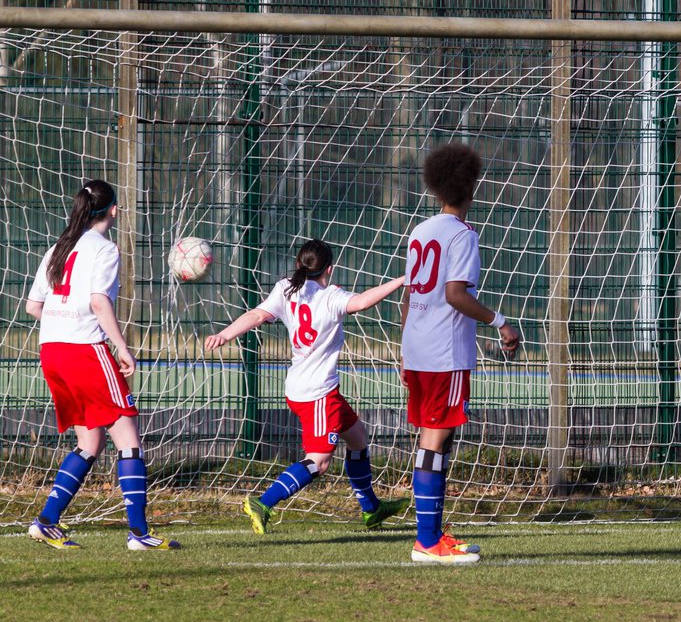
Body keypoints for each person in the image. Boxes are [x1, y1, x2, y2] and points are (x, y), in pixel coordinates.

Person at [205, 239, 408, 534]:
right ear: (330, 269)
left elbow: (256, 315)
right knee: (319, 462)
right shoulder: (331, 297)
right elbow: (363, 301)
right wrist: (402, 280)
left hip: (302, 387)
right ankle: (263, 502)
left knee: (357, 437)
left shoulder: (286, 288)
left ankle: (372, 509)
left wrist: (224, 334)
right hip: (318, 394)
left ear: (299, 264)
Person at [24, 179, 177, 551]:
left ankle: (46, 521)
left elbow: (33, 307)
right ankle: (139, 534)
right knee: (127, 437)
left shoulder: (58, 247)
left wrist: (62, 321)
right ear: (113, 211)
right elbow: (98, 303)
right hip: (84, 350)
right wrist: (122, 347)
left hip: (52, 351)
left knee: (89, 440)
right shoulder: (105, 250)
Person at [402, 143, 521, 565]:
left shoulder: (420, 230)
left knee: (431, 440)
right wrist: (500, 321)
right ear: (471, 187)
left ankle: (431, 535)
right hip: (443, 354)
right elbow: (455, 295)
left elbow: (411, 294)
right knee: (436, 441)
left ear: (437, 188)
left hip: (417, 349)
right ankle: (428, 542)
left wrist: (404, 348)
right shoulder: (463, 235)